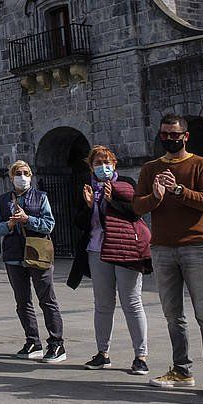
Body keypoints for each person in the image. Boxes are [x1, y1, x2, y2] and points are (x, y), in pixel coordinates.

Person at [132, 113, 203, 398]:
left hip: (196, 245)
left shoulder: (202, 164)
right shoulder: (150, 169)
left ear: (185, 136)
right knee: (173, 313)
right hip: (162, 248)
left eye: (176, 135)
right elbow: (137, 207)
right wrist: (157, 195)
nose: (170, 139)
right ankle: (182, 369)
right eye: (165, 135)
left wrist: (178, 190)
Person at [68, 146, 150, 375]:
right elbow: (80, 223)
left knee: (132, 302)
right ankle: (102, 353)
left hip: (125, 251)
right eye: (97, 163)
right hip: (97, 250)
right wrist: (88, 206)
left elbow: (135, 212)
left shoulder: (126, 183)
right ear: (91, 166)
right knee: (103, 304)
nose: (103, 167)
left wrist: (112, 200)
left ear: (114, 164)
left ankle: (140, 355)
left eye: (107, 162)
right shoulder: (87, 188)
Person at [0, 161, 66, 363]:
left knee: (47, 299)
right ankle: (32, 341)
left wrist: (27, 220)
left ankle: (57, 343)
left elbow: (49, 225)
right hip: (14, 255)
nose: (21, 177)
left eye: (25, 173)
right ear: (11, 177)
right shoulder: (3, 200)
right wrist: (10, 223)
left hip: (38, 254)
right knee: (22, 302)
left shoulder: (41, 197)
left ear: (31, 176)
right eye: (17, 173)